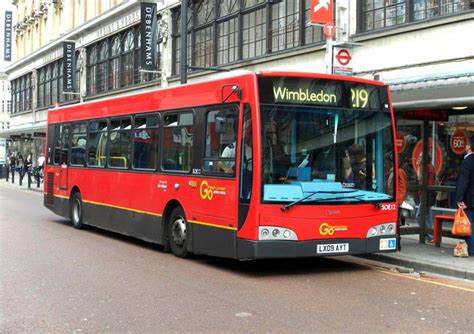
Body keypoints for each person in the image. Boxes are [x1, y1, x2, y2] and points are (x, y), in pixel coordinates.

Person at [455, 134, 474, 256]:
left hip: (469, 199)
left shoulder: (467, 161)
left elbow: (463, 181)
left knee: (470, 224)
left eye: (466, 144)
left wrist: (459, 198)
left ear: (469, 147)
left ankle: (471, 249)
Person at [415, 152, 436, 243]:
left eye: (420, 156)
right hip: (426, 194)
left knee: (419, 215)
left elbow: (420, 178)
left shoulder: (426, 167)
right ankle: (431, 235)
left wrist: (419, 167)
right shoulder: (431, 166)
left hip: (425, 194)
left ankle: (431, 235)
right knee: (428, 215)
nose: (418, 158)